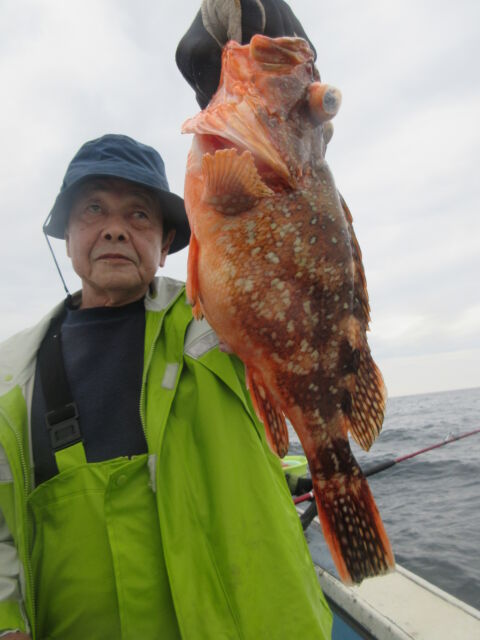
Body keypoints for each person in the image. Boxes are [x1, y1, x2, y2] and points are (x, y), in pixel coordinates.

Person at [0, 2, 332, 639]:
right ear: (67, 235)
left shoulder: (213, 320)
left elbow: (290, 210)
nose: (115, 228)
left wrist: (273, 80)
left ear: (168, 241)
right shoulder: (11, 373)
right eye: (94, 210)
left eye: (139, 214)